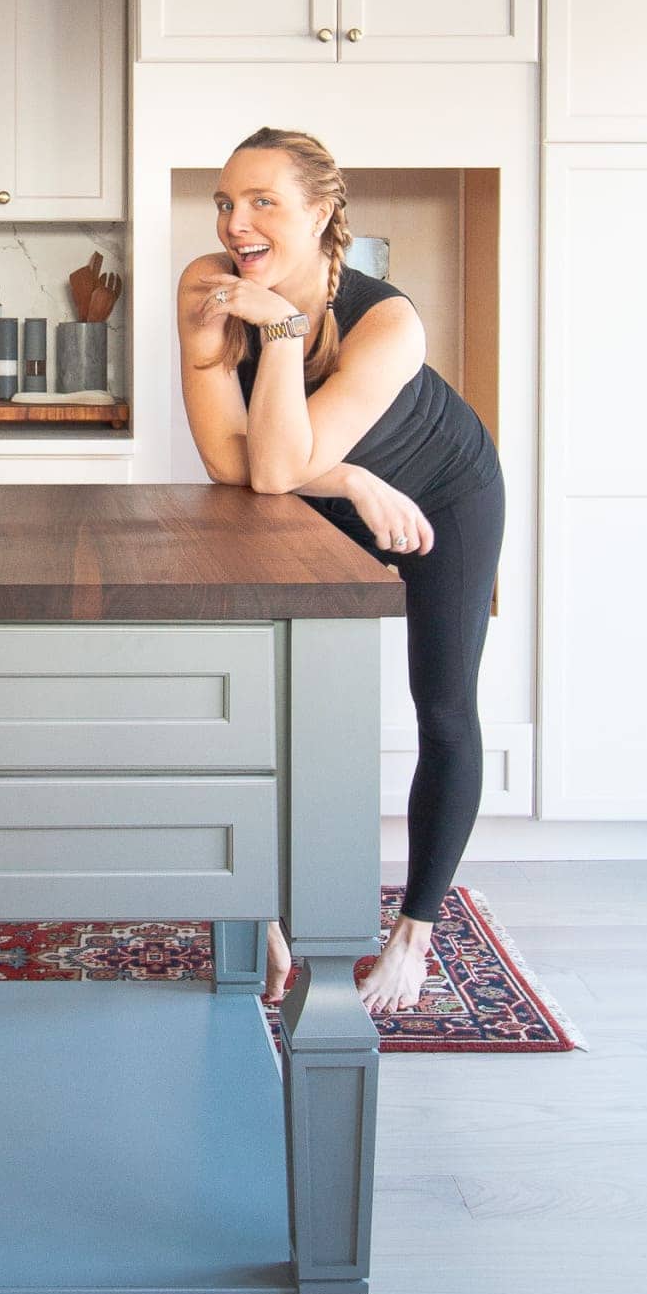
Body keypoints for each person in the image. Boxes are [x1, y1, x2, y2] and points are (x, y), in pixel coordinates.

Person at [176, 127, 505, 1016]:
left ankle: (416, 931)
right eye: (223, 201)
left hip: (442, 488)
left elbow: (273, 463)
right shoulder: (207, 289)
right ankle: (269, 917)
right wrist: (353, 478)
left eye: (261, 202)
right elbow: (230, 461)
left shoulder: (387, 320)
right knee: (270, 702)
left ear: (321, 213)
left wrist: (283, 334)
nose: (234, 223)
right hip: (334, 494)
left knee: (442, 707)